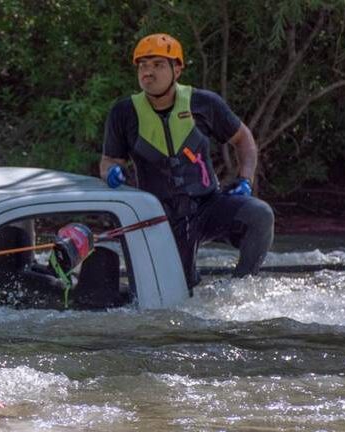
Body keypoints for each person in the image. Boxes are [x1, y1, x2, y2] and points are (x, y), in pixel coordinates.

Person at [100, 33, 274, 290]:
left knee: (260, 214)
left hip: (207, 205)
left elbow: (243, 139)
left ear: (177, 69)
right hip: (161, 216)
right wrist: (111, 172)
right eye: (143, 66)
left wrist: (245, 179)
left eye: (158, 65)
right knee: (180, 293)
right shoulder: (123, 112)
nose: (148, 72)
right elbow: (108, 160)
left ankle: (241, 289)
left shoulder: (205, 103)